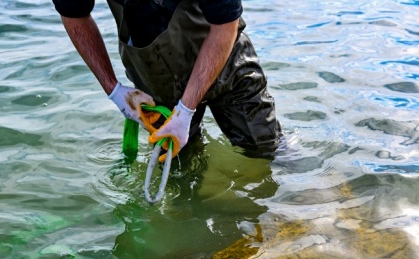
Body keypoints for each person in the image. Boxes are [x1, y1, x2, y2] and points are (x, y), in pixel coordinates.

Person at [53, 0, 281, 159]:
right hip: (155, 75)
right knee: (179, 173)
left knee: (268, 151)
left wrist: (186, 110)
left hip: (229, 66)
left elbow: (224, 25)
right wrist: (114, 90)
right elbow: (74, 15)